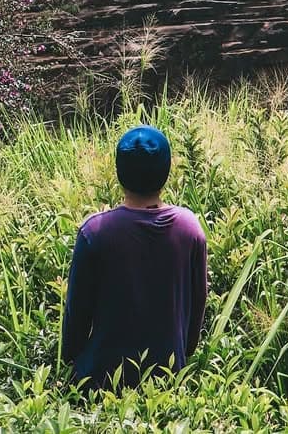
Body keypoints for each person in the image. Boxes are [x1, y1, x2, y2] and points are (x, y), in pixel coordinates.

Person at [61, 124, 208, 391]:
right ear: (166, 171)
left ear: (119, 172)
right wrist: (183, 355)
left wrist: (70, 362)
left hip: (101, 380)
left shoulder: (95, 232)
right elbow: (198, 302)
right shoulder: (189, 227)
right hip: (167, 378)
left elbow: (77, 312)